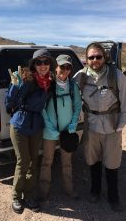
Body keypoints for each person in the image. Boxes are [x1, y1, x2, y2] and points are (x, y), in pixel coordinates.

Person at [73, 42, 126, 212]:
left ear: (104, 57)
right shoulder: (81, 76)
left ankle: (113, 197)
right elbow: (67, 91)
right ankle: (95, 191)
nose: (95, 60)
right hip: (91, 126)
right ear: (86, 60)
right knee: (93, 161)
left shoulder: (117, 76)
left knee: (112, 163)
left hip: (112, 126)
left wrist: (121, 124)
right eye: (91, 57)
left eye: (98, 56)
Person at [5, 49, 54, 214]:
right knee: (23, 161)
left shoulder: (49, 82)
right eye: (39, 62)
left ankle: (30, 195)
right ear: (34, 65)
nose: (42, 65)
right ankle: (17, 197)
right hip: (20, 124)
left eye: (46, 62)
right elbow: (10, 102)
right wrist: (14, 86)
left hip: (36, 125)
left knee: (34, 161)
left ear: (50, 65)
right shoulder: (26, 78)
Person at [39, 54, 82, 201]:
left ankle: (69, 189)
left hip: (67, 132)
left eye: (68, 67)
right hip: (50, 131)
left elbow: (77, 106)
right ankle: (44, 192)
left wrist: (73, 125)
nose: (65, 70)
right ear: (55, 67)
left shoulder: (72, 86)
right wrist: (49, 127)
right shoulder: (48, 85)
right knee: (47, 161)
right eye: (62, 66)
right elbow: (42, 108)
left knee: (67, 162)